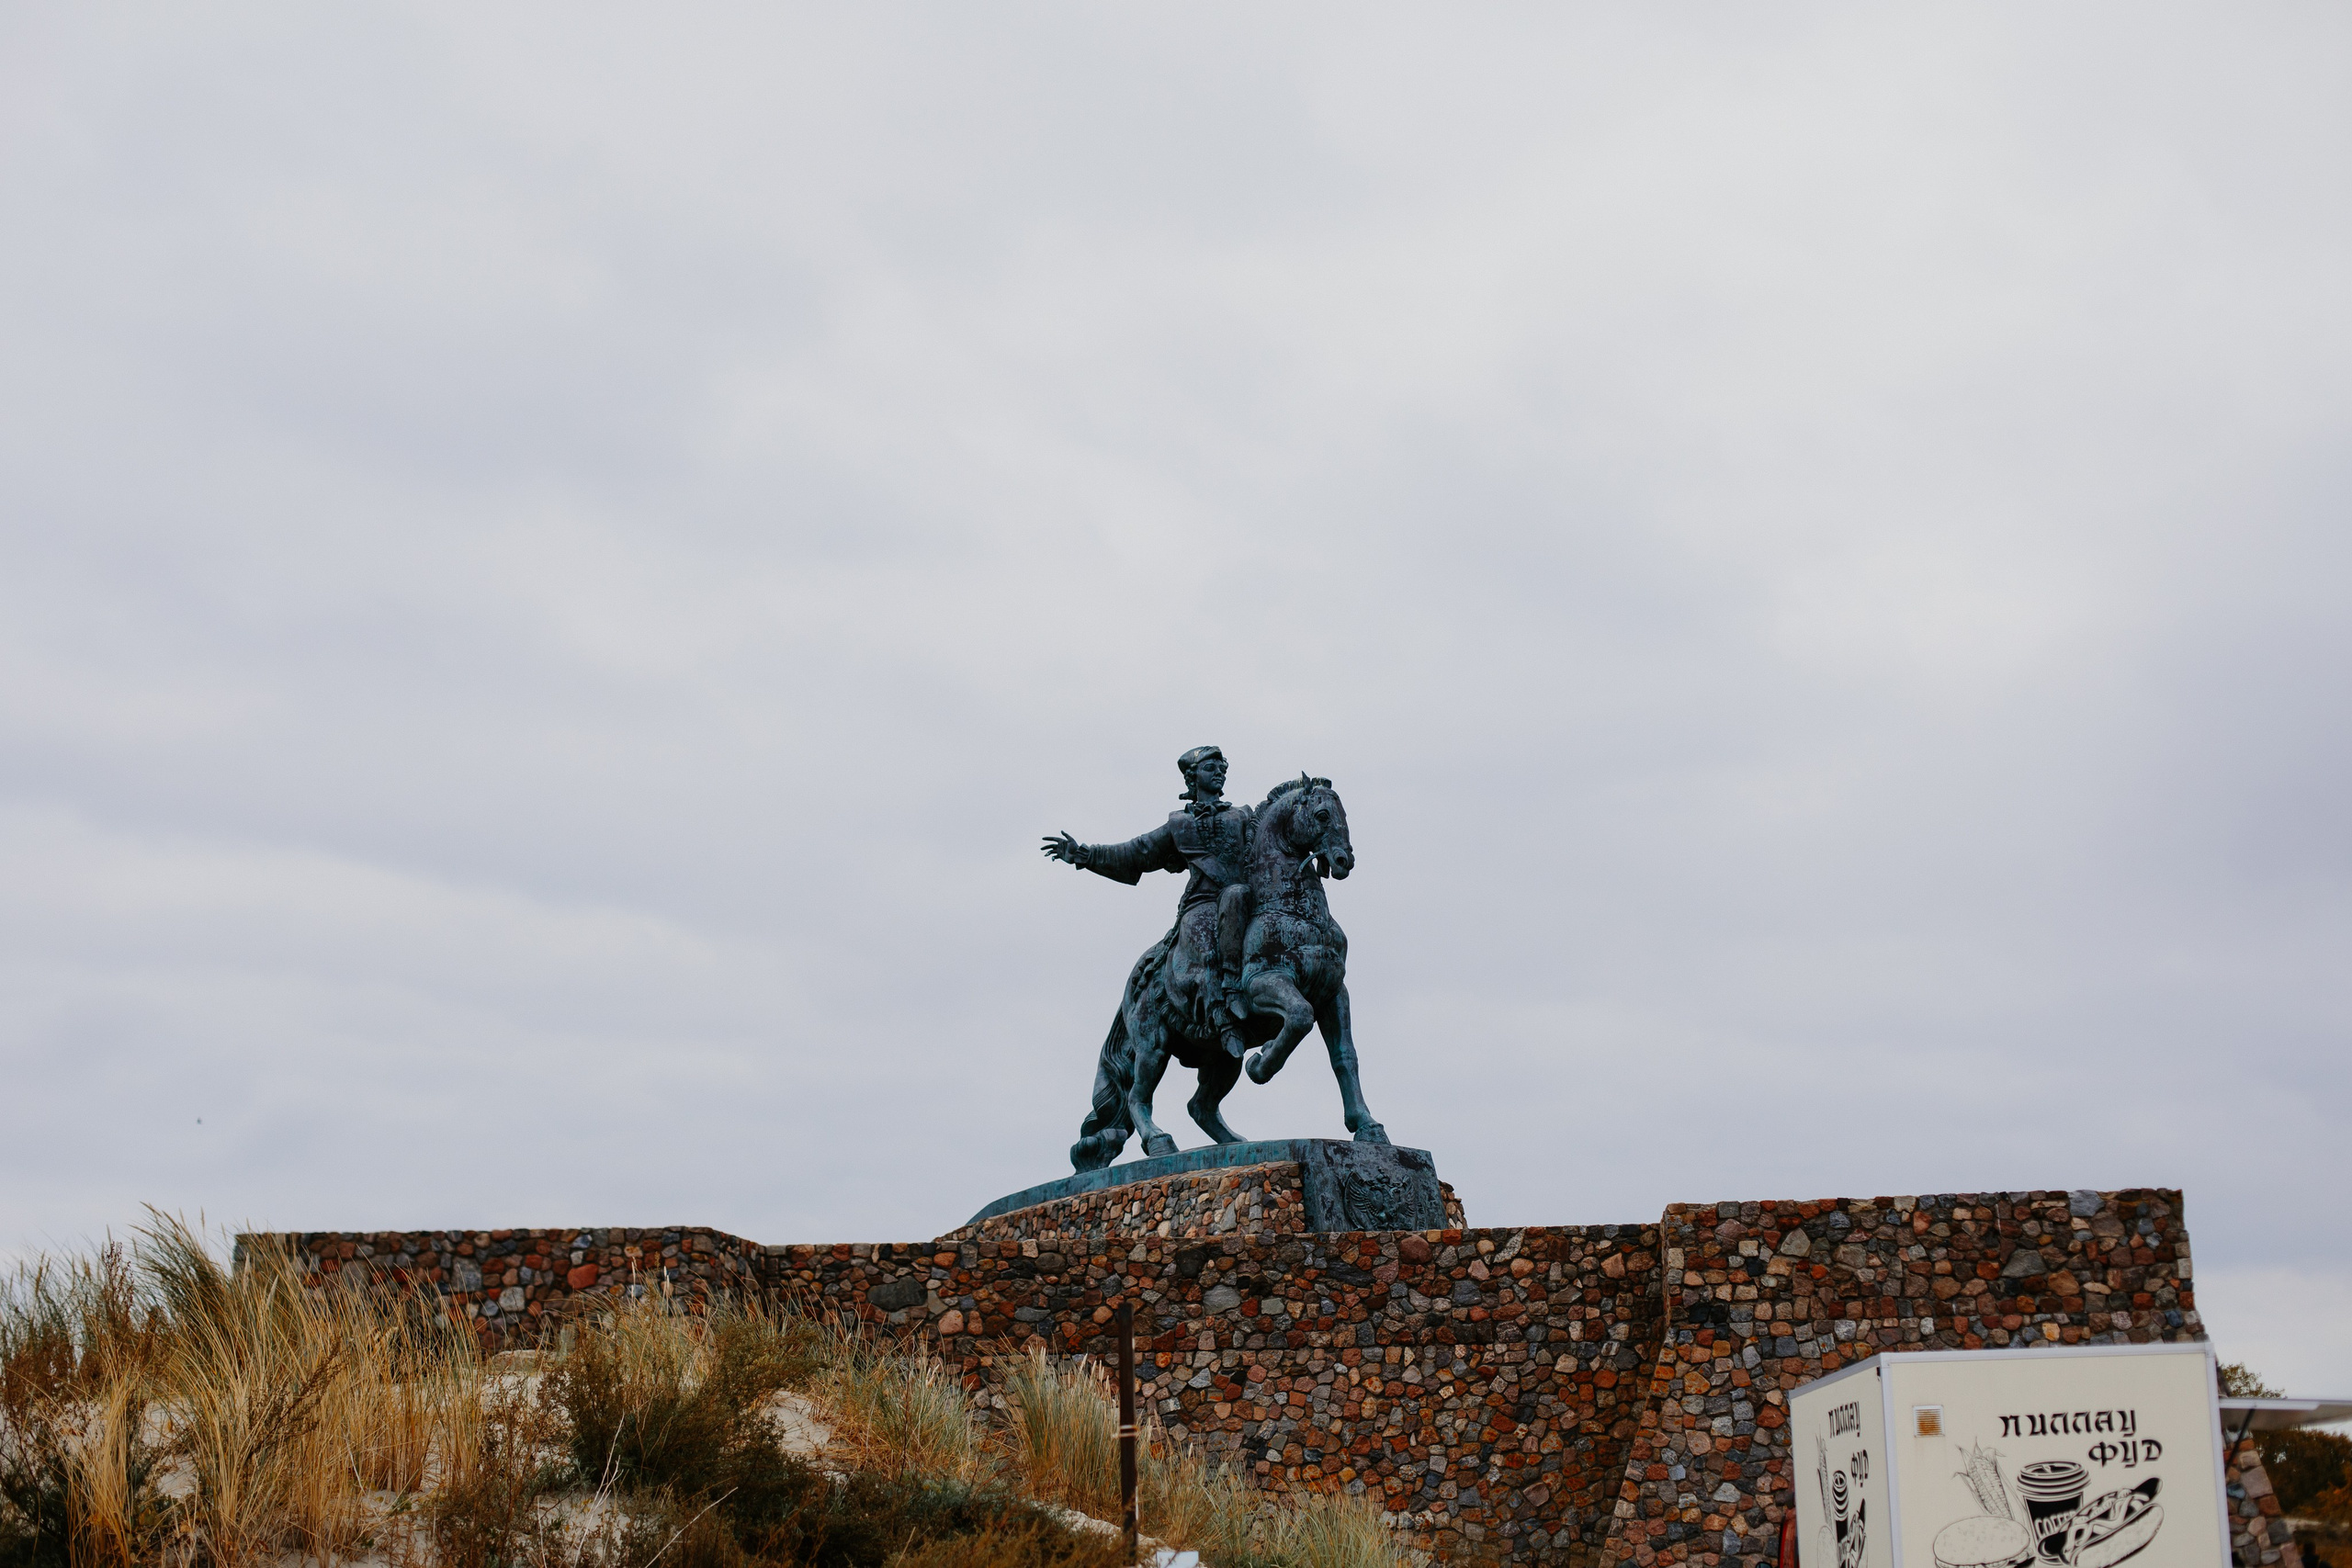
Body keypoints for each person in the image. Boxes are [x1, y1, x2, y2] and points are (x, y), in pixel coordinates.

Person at [1042, 745, 1254, 1057]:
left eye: (1222, 767)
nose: (1219, 772)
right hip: (1202, 904)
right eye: (1211, 768)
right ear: (1193, 779)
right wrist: (1085, 855)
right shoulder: (1180, 825)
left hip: (1244, 899)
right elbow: (1137, 851)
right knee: (1205, 947)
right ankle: (1222, 1011)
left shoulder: (1242, 816)